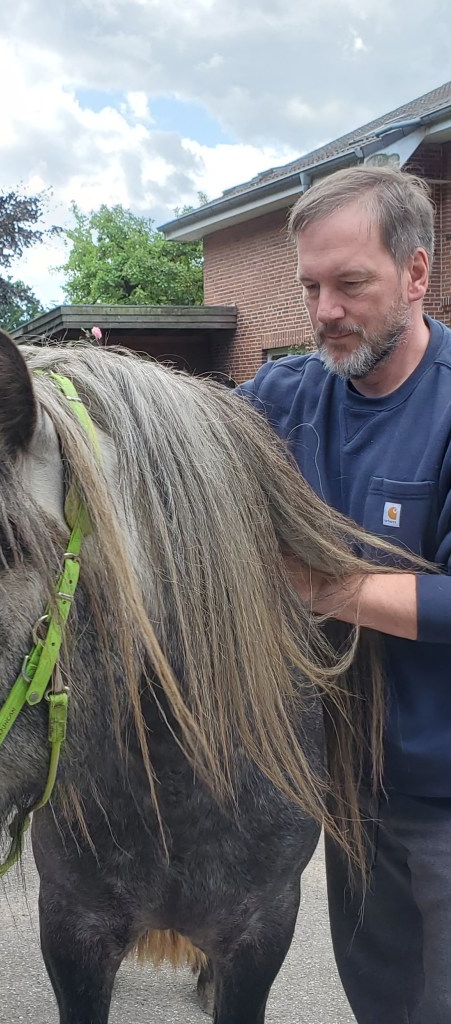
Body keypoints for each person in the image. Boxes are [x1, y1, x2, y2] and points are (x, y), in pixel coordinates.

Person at [238, 164, 451, 1024]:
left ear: (415, 272)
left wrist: (318, 587)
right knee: (383, 1007)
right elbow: (169, 436)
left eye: (350, 284)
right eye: (308, 287)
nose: (323, 310)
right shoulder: (283, 397)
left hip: (444, 801)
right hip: (348, 795)